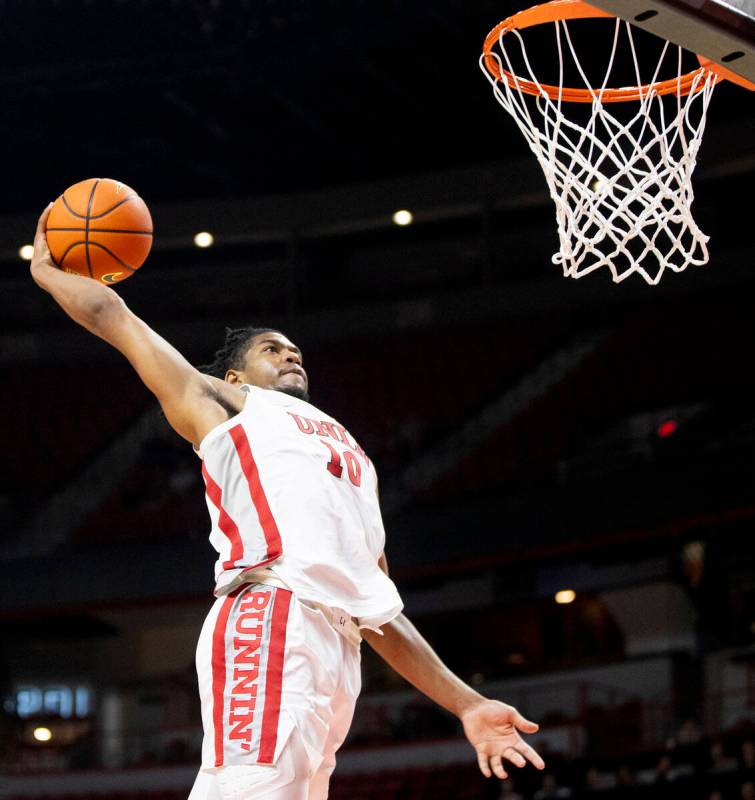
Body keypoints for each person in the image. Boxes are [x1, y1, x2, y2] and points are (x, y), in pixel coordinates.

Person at [29, 206, 545, 799]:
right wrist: (48, 273)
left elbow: (377, 608)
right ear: (235, 376)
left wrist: (468, 704)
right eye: (273, 350)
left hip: (338, 647)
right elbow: (117, 319)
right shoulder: (225, 405)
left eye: (296, 350)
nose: (292, 356)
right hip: (272, 614)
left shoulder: (354, 458)